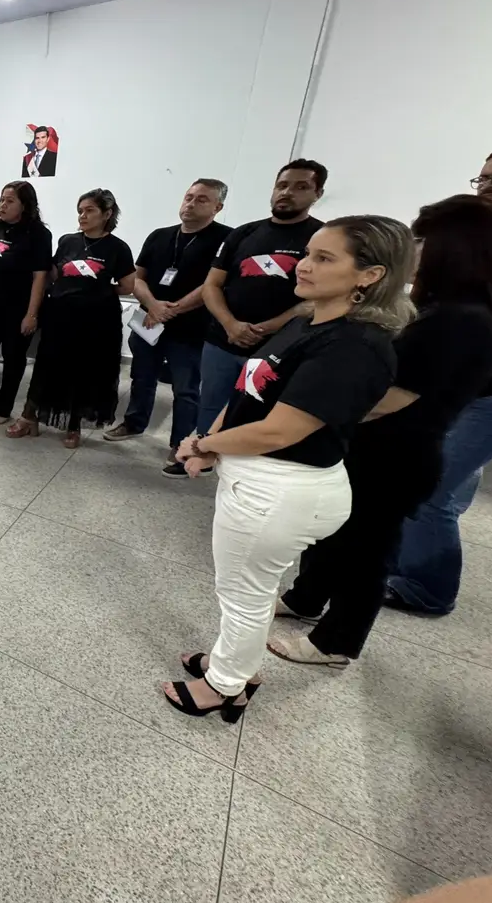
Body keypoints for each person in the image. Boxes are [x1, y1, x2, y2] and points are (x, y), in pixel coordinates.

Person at [166, 215, 411, 719]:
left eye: (324, 258)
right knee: (245, 589)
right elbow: (248, 392)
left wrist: (202, 444)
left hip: (281, 489)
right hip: (260, 479)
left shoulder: (354, 346)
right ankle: (234, 663)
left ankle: (225, 685)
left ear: (369, 275)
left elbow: (279, 431)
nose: (304, 265)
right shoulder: (306, 322)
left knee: (245, 594)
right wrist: (210, 444)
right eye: (308, 254)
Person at [272, 197, 492, 664]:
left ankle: (335, 642)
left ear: (454, 247)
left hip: (396, 453)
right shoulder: (431, 307)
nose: (413, 249)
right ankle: (305, 598)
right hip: (367, 445)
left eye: (422, 239)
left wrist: (310, 413)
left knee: (365, 550)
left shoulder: (462, 319)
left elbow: (392, 398)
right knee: (331, 533)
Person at [385, 158, 492, 616]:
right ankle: (402, 564)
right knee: (437, 486)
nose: (485, 186)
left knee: (433, 491)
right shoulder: (470, 238)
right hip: (460, 386)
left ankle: (427, 588)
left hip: (484, 396)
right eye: (483, 177)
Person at [104, 180, 233, 475]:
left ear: (218, 207)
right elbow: (137, 278)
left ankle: (180, 443)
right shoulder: (160, 236)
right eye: (189, 197)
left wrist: (172, 310)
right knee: (141, 377)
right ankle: (134, 423)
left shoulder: (226, 239)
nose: (191, 203)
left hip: (191, 329)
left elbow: (213, 284)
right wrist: (153, 305)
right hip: (149, 322)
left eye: (202, 199)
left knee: (186, 389)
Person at [197, 160, 327, 437]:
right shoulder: (244, 233)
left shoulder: (322, 239)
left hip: (280, 348)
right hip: (222, 342)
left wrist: (270, 327)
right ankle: (201, 451)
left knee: (258, 416)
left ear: (318, 194)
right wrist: (231, 324)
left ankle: (236, 458)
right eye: (282, 185)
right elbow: (212, 285)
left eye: (301, 187)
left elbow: (321, 297)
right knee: (210, 407)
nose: (287, 192)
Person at [13, 189, 135, 447]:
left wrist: (99, 290)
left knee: (83, 372)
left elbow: (127, 286)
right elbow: (54, 273)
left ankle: (74, 425)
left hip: (95, 322)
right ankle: (29, 417)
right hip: (60, 317)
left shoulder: (118, 248)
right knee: (46, 366)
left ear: (107, 214)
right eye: (80, 211)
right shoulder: (68, 241)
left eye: (90, 210)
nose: (82, 216)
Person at [0, 180, 53, 423]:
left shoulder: (38, 234)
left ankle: (3, 408)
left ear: (25, 205)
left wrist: (31, 314)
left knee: (13, 356)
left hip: (19, 307)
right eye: (2, 199)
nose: (2, 205)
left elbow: (40, 277)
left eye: (9, 201)